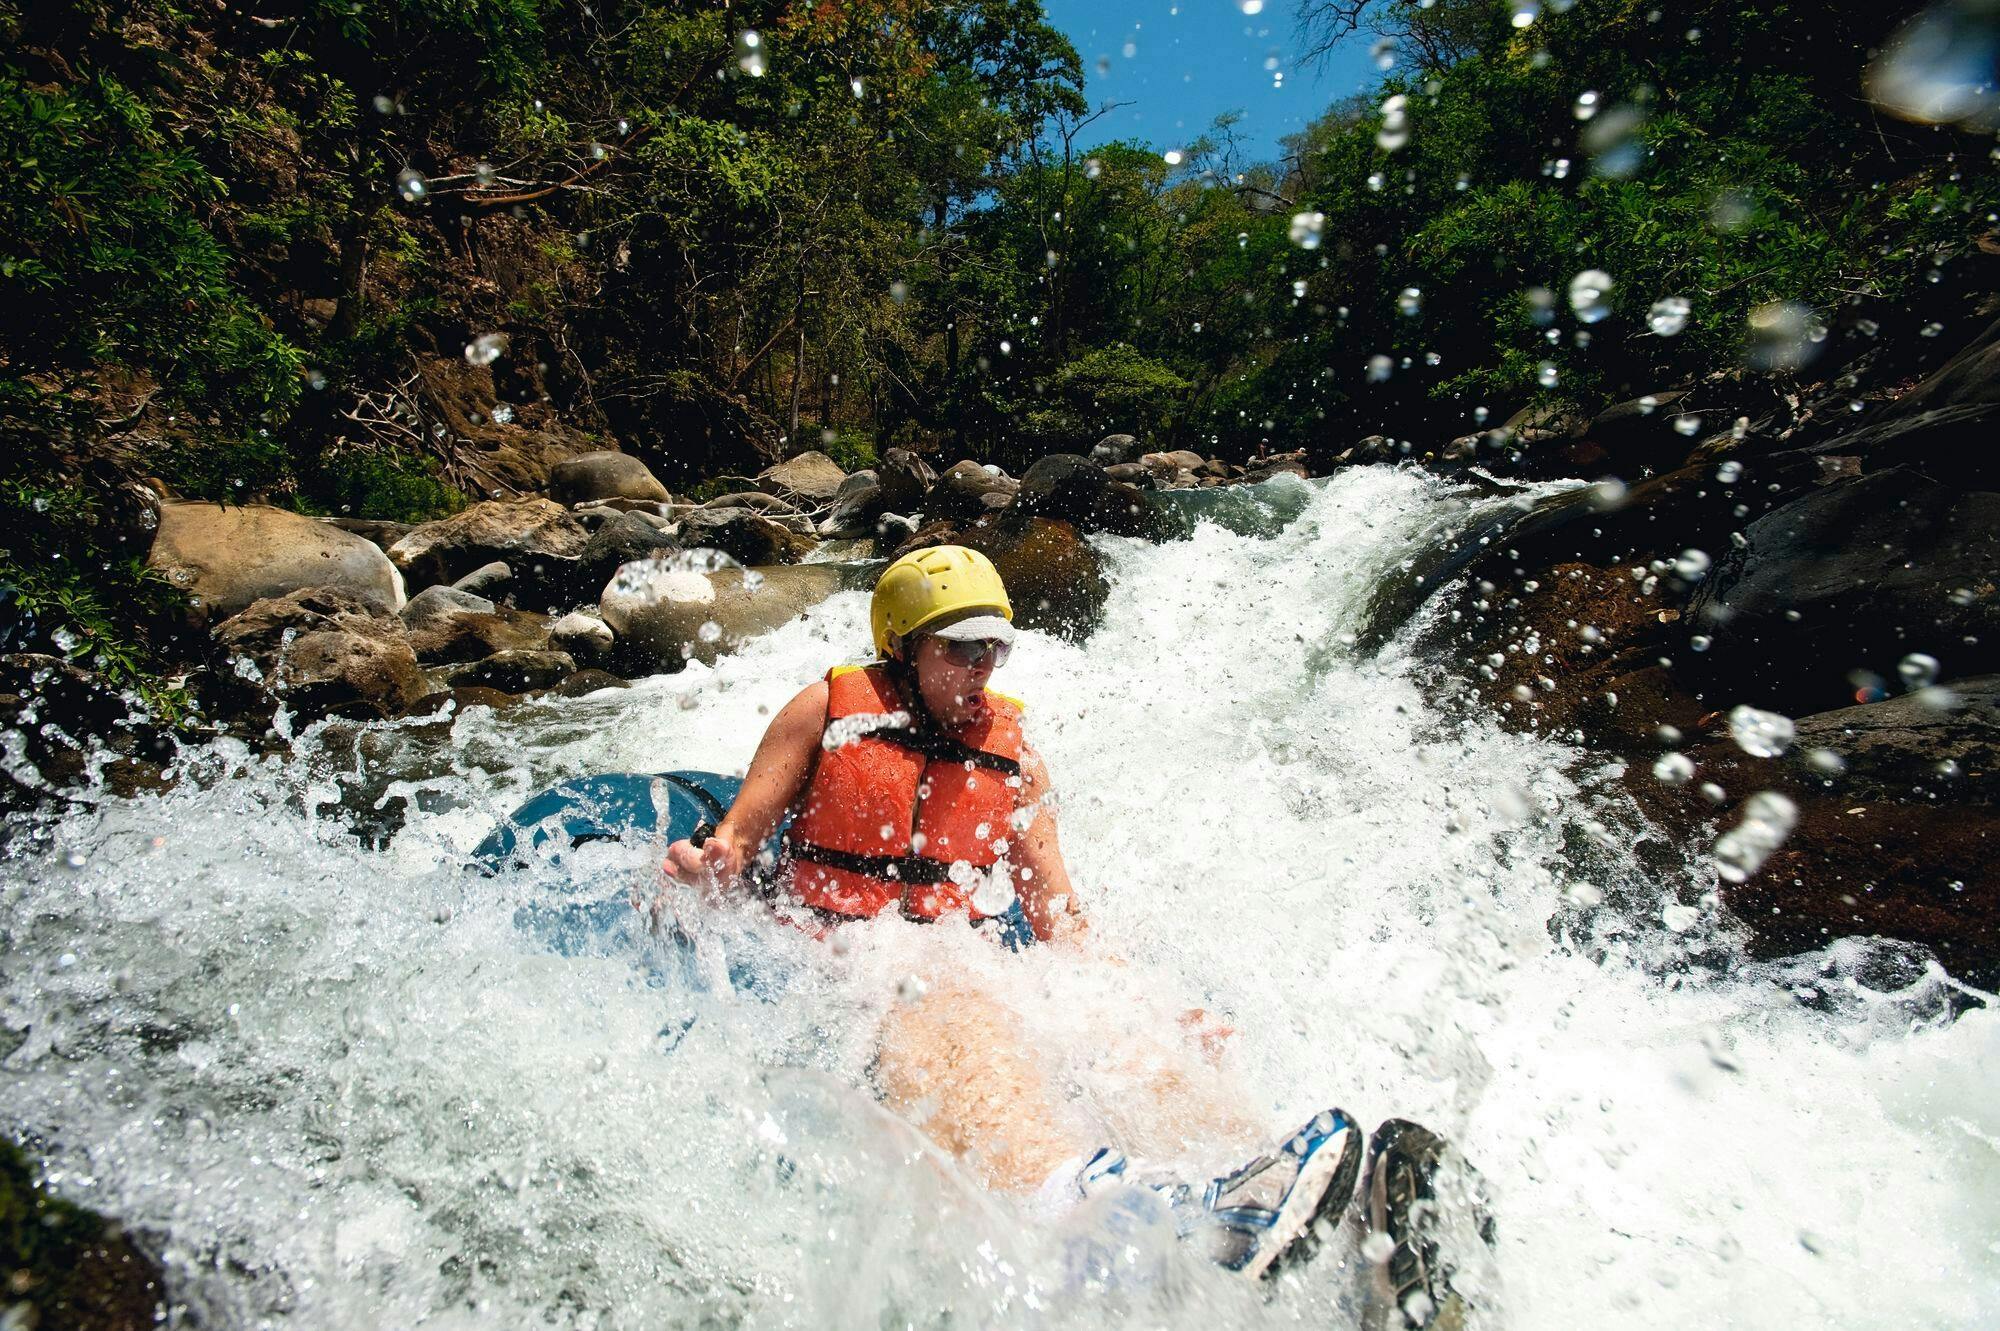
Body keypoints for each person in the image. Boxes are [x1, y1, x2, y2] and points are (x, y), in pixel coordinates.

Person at [656, 545, 1366, 1282]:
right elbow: (738, 842)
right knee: (955, 1002)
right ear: (902, 648)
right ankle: (1081, 1206)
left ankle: (1248, 1172)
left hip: (942, 956)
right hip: (829, 957)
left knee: (1104, 1023)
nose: (982, 667)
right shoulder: (822, 710)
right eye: (960, 649)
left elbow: (1061, 922)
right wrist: (710, 868)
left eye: (994, 648)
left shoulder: (1015, 753)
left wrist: (1146, 1005)